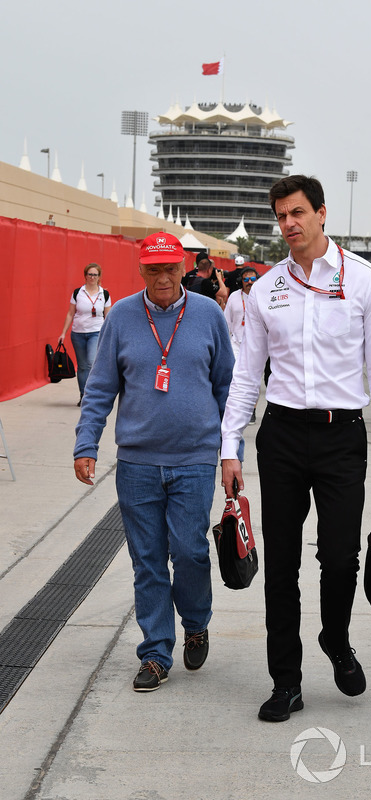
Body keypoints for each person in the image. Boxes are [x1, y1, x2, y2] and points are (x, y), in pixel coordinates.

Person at [220, 175, 371, 722]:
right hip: (280, 436)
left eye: (297, 213)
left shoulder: (365, 283)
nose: (288, 224)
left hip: (342, 435)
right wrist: (231, 447)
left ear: (322, 214)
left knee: (341, 556)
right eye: (280, 216)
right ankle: (286, 680)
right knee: (281, 563)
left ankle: (336, 639)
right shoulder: (266, 288)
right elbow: (247, 376)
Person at [73, 232, 235, 692]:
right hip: (138, 463)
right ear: (140, 269)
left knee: (190, 551)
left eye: (170, 268)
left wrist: (231, 454)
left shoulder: (207, 315)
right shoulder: (122, 316)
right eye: (153, 269)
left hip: (195, 459)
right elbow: (101, 388)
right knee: (146, 560)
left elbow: (229, 389)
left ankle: (197, 621)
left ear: (183, 268)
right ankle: (156, 653)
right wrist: (86, 444)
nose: (162, 277)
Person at [59, 263, 111, 405]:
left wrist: (109, 336)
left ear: (99, 277)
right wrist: (63, 333)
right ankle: (83, 394)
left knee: (91, 362)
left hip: (96, 332)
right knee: (82, 366)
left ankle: (91, 394)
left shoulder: (104, 294)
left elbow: (108, 317)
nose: (92, 277)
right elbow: (70, 313)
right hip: (78, 333)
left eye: (95, 275)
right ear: (85, 276)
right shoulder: (78, 292)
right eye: (90, 274)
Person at [224, 266, 260, 424]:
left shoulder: (262, 297)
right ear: (241, 281)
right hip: (236, 344)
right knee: (235, 378)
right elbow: (227, 321)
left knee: (254, 379)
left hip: (255, 345)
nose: (250, 282)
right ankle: (237, 408)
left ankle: (252, 409)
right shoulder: (233, 297)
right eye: (246, 279)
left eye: (253, 279)